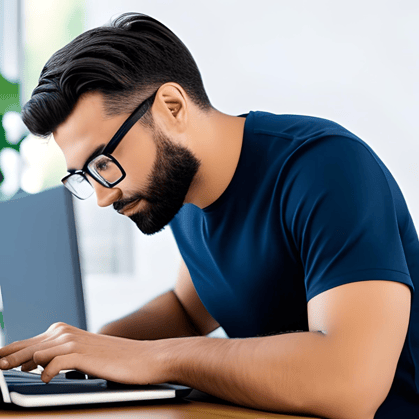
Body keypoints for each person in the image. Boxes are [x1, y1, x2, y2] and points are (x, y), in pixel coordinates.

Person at [0, 12, 417, 419]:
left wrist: (151, 357)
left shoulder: (327, 168)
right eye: (84, 176)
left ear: (171, 107)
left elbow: (350, 385)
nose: (103, 197)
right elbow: (186, 310)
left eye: (104, 164)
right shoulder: (183, 196)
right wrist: (85, 349)